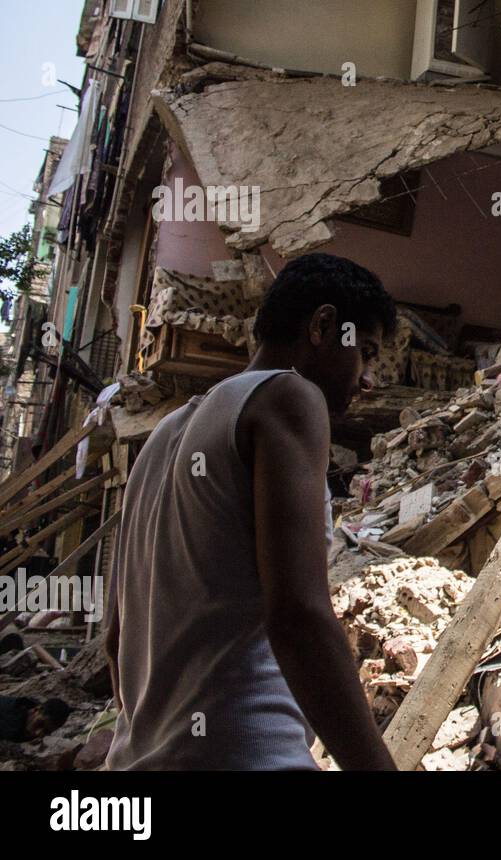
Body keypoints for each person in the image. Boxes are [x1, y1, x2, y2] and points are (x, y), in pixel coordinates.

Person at [105, 253, 398, 770]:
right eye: (366, 352)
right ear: (323, 325)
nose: (367, 378)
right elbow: (298, 615)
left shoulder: (160, 441)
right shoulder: (287, 398)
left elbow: (115, 638)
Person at [0, 695, 71, 742]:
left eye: (46, 732)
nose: (38, 733)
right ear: (37, 709)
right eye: (40, 724)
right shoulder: (6, 710)